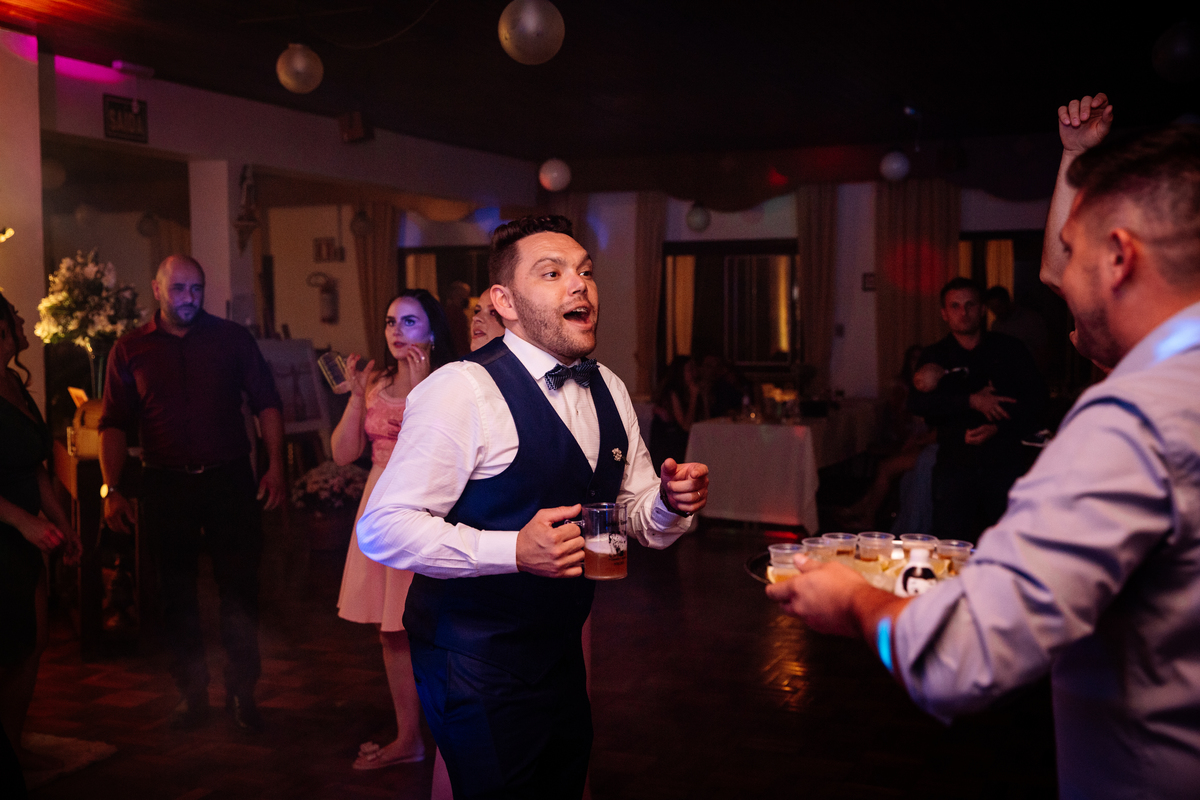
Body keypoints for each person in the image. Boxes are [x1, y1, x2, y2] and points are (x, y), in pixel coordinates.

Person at [767, 122, 1200, 799]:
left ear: (1119, 257)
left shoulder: (1134, 420)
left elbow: (960, 659)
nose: (1054, 283)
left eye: (1069, 255)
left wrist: (853, 602)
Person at [356, 214, 710, 798]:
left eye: (585, 272)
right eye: (552, 273)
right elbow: (382, 530)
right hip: (472, 653)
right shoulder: (460, 390)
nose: (579, 285)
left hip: (558, 649)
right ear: (506, 301)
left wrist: (671, 504)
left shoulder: (610, 389)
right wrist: (512, 549)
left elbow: (638, 512)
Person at [98, 255, 285, 732]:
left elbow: (266, 401)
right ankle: (191, 692)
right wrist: (112, 488)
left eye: (196, 289)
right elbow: (113, 424)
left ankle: (242, 695)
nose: (189, 298)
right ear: (157, 290)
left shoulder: (230, 339)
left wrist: (276, 466)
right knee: (174, 594)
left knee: (239, 589)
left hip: (228, 479)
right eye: (179, 288)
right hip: (164, 482)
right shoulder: (130, 348)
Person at [333, 289, 457, 769]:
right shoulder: (376, 381)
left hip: (424, 500)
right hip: (378, 499)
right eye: (390, 322)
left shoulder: (449, 380)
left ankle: (450, 737)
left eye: (408, 321)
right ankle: (410, 738)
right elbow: (343, 454)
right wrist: (352, 396)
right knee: (391, 631)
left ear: (430, 330)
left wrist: (424, 387)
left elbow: (441, 452)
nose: (396, 331)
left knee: (427, 624)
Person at [0, 293, 80, 782]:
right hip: (5, 533)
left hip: (27, 533)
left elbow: (38, 471)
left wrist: (64, 524)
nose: (25, 318)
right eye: (14, 315)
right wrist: (21, 521)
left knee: (33, 642)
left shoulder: (13, 381)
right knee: (7, 647)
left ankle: (12, 745)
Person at [907, 277, 1047, 542]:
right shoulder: (936, 355)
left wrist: (999, 426)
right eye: (956, 306)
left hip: (1004, 464)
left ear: (982, 309)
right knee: (950, 545)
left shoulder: (1010, 350)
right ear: (944, 313)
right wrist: (969, 400)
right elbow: (917, 404)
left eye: (970, 305)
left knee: (1008, 544)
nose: (964, 312)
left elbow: (1038, 402)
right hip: (955, 465)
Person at [982, 286, 1052, 377]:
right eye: (992, 309)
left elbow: (1042, 350)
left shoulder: (1030, 320)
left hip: (1029, 374)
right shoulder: (996, 325)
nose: (996, 312)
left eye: (998, 307)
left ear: (1007, 302)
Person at [648, 355, 701, 472]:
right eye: (689, 369)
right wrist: (693, 397)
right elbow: (686, 426)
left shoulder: (685, 391)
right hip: (668, 448)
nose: (693, 373)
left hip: (678, 444)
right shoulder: (672, 393)